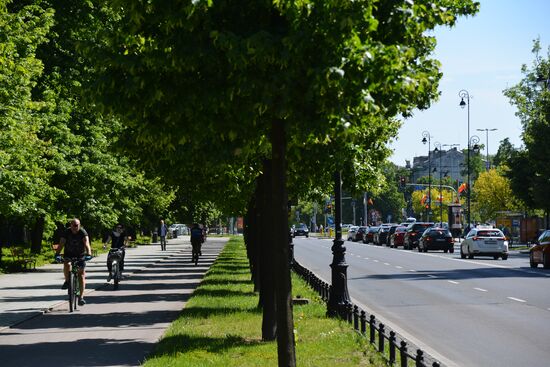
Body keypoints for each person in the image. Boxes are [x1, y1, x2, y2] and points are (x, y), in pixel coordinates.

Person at [54, 218, 92, 306]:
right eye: (73, 225)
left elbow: (87, 244)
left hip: (80, 255)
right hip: (69, 254)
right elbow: (61, 243)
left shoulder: (83, 232)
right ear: (70, 225)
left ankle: (81, 297)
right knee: (67, 264)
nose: (75, 227)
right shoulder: (66, 232)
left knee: (81, 274)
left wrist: (89, 254)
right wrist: (57, 254)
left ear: (79, 225)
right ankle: (67, 281)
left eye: (77, 225)